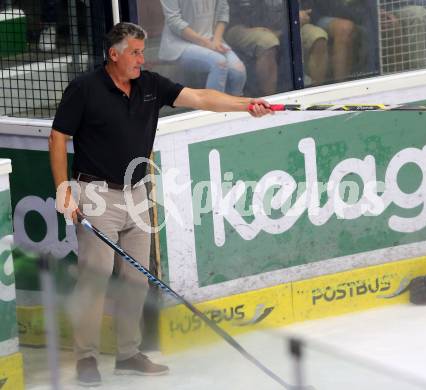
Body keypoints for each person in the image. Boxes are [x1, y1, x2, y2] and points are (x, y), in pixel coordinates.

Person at [48, 22, 271, 387]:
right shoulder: (85, 89)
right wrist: (64, 191)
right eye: (134, 52)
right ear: (113, 54)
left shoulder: (150, 86)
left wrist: (248, 105)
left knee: (136, 279)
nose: (141, 58)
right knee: (95, 278)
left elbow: (200, 97)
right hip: (97, 195)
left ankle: (128, 353)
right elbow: (58, 137)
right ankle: (86, 358)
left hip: (139, 195)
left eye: (142, 52)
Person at [158, 0, 246, 95]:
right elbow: (173, 20)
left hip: (212, 39)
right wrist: (206, 43)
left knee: (238, 71)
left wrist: (216, 40)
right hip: (179, 44)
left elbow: (223, 11)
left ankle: (234, 106)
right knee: (219, 63)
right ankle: (211, 108)